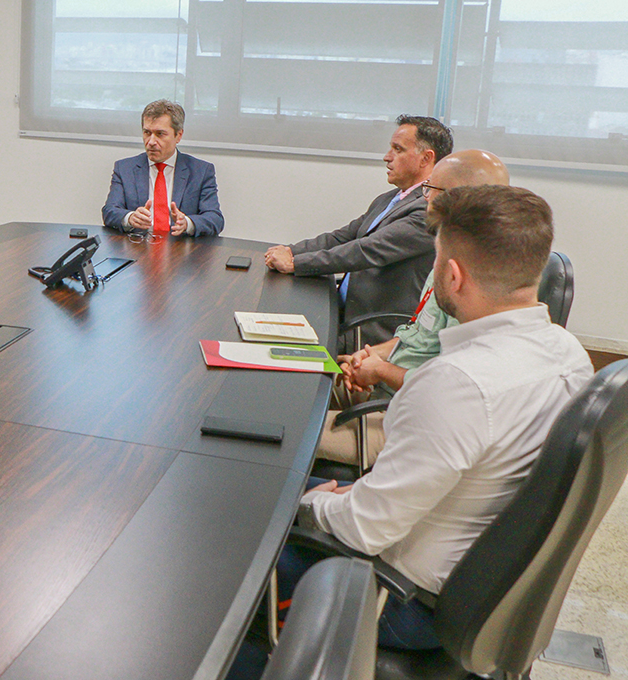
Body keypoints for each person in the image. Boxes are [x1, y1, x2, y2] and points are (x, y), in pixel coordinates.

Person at [233, 185, 592, 677]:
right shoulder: (569, 353)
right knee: (271, 488)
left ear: (453, 273)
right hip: (483, 576)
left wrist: (312, 504)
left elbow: (364, 527)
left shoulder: (457, 382)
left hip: (401, 598)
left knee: (230, 556)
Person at [319, 150, 511, 466]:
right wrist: (373, 355)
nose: (424, 198)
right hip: (385, 387)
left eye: (430, 190)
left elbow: (449, 391)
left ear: (456, 198)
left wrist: (380, 370)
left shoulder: (477, 282)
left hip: (408, 421)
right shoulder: (448, 251)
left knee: (288, 431)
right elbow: (419, 334)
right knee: (289, 390)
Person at [265, 115, 452, 348]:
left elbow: (367, 251)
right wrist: (287, 251)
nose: (387, 157)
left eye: (397, 149)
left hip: (369, 329)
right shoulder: (391, 198)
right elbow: (342, 236)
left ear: (426, 158)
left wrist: (295, 264)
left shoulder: (428, 209)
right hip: (342, 307)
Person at [101, 99, 223, 238]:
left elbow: (215, 219)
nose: (151, 142)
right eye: (147, 133)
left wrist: (187, 223)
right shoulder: (125, 168)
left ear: (178, 135)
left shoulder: (201, 171)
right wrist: (129, 218)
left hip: (182, 252)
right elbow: (109, 211)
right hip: (138, 249)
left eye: (160, 134)